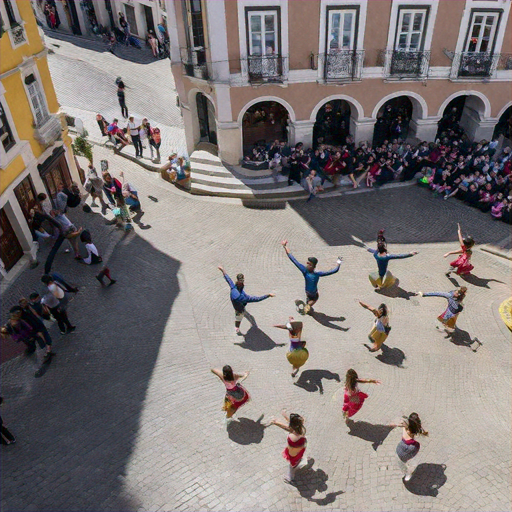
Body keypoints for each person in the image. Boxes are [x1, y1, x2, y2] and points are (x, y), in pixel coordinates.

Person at [281, 240, 341, 315]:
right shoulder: (317, 273)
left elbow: (292, 258)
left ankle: (307, 304)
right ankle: (306, 308)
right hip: (313, 292)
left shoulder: (305, 271)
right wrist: (339, 263)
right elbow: (334, 271)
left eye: (308, 263)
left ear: (312, 265)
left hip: (307, 291)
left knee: (309, 298)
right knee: (315, 298)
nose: (306, 264)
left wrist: (285, 246)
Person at [217, 266, 274, 334]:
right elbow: (257, 299)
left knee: (242, 316)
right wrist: (268, 295)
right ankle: (237, 328)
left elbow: (228, 279)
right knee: (239, 318)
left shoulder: (233, 288)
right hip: (239, 309)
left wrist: (222, 270)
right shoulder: (244, 298)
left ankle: (239, 325)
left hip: (237, 305)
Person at [269, 410, 312, 485]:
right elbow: (288, 427)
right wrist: (277, 422)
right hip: (295, 453)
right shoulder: (298, 432)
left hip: (296, 451)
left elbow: (289, 427)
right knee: (292, 466)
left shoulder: (295, 431)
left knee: (294, 464)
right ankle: (288, 478)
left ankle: (295, 467)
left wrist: (279, 420)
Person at [389, 413, 429, 482]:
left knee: (401, 463)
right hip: (405, 450)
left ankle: (408, 473)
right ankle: (407, 469)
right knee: (402, 461)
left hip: (403, 451)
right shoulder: (410, 429)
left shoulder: (410, 441)